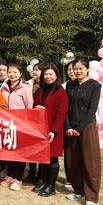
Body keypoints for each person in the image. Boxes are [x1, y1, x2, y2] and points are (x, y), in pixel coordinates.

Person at [64, 58, 102, 205]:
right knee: (73, 160)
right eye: (75, 68)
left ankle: (92, 197)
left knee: (90, 162)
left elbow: (92, 109)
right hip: (70, 127)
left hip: (87, 126)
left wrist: (79, 128)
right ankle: (78, 190)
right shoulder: (70, 85)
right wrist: (67, 126)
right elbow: (65, 107)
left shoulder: (95, 86)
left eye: (81, 68)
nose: (78, 71)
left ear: (87, 69)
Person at [32, 63, 69, 197]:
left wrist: (54, 131)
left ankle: (51, 187)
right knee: (43, 158)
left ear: (56, 76)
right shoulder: (39, 91)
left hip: (54, 131)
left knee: (52, 159)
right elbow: (34, 105)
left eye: (50, 74)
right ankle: (44, 182)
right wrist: (36, 107)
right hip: (41, 129)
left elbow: (61, 114)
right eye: (45, 74)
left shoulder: (61, 92)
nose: (48, 77)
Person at [0, 63, 33, 191]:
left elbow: (29, 107)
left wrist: (26, 124)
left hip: (20, 125)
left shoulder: (25, 88)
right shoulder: (3, 86)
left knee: (20, 152)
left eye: (15, 72)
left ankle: (18, 178)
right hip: (6, 124)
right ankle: (10, 175)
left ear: (21, 74)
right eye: (10, 72)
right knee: (9, 150)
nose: (12, 74)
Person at [61, 62, 76, 189]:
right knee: (69, 152)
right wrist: (67, 125)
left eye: (74, 69)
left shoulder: (91, 85)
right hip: (68, 123)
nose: (72, 72)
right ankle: (70, 178)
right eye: (69, 69)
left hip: (83, 123)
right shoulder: (64, 86)